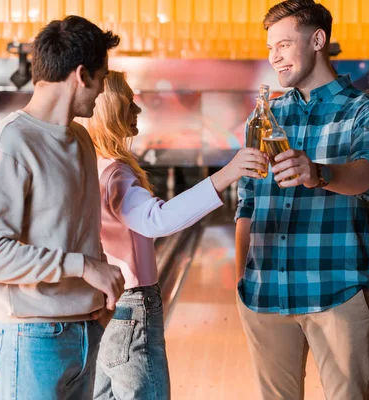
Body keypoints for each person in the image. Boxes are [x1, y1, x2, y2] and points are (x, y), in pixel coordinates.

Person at [0, 16, 126, 400]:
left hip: (85, 331)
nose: (103, 90)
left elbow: (81, 231)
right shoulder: (9, 143)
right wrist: (84, 268)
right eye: (102, 77)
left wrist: (98, 299)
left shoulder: (82, 140)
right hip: (29, 339)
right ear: (82, 75)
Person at [234, 1, 369, 398]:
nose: (275, 57)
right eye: (271, 48)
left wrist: (319, 173)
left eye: (284, 45)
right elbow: (247, 204)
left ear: (318, 40)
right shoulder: (265, 116)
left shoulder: (363, 111)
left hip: (336, 290)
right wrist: (243, 282)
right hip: (265, 292)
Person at [76, 71, 267, 400]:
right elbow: (156, 219)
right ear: (111, 111)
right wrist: (228, 173)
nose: (137, 110)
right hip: (134, 309)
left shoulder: (90, 164)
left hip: (107, 306)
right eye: (128, 103)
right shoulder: (117, 173)